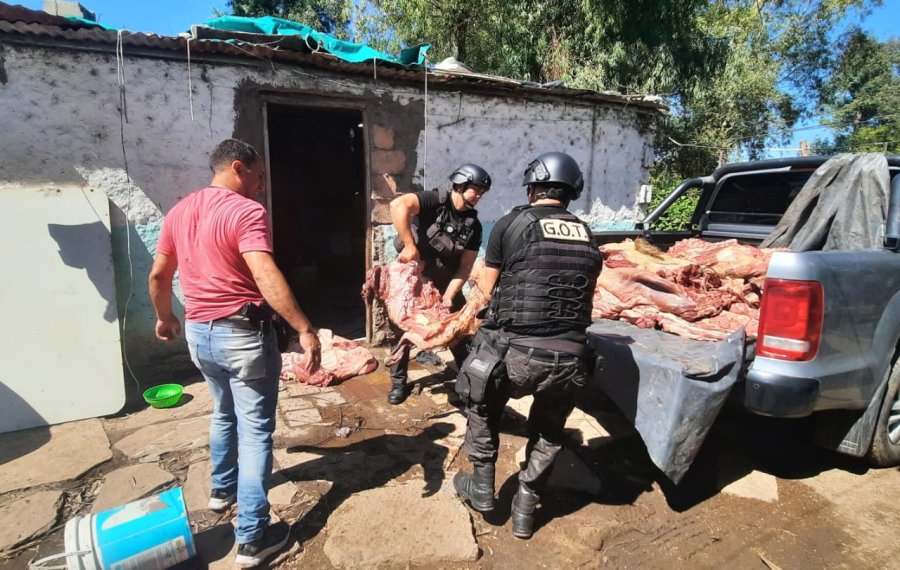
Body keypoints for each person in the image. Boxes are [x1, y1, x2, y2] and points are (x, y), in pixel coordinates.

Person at [149, 139, 321, 568]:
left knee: (223, 412)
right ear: (238, 167)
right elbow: (264, 273)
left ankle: (221, 489)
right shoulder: (246, 211)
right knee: (256, 432)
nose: (262, 184)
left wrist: (165, 318)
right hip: (242, 335)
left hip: (199, 334)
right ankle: (252, 537)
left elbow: (159, 275)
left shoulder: (179, 211)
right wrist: (304, 328)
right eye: (259, 175)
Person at [453, 151, 602, 539]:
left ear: (533, 187)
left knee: (480, 401)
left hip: (517, 353)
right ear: (571, 192)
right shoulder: (587, 234)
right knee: (550, 429)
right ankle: (525, 506)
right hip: (571, 359)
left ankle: (481, 487)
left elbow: (486, 290)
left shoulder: (511, 223)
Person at [387, 163, 491, 404]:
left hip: (446, 282)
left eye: (482, 193)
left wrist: (449, 296)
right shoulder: (434, 200)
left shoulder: (473, 226)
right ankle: (398, 382)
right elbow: (397, 205)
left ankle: (467, 385)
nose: (478, 196)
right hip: (414, 281)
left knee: (459, 333)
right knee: (400, 333)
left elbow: (465, 267)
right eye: (476, 190)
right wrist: (409, 245)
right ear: (461, 184)